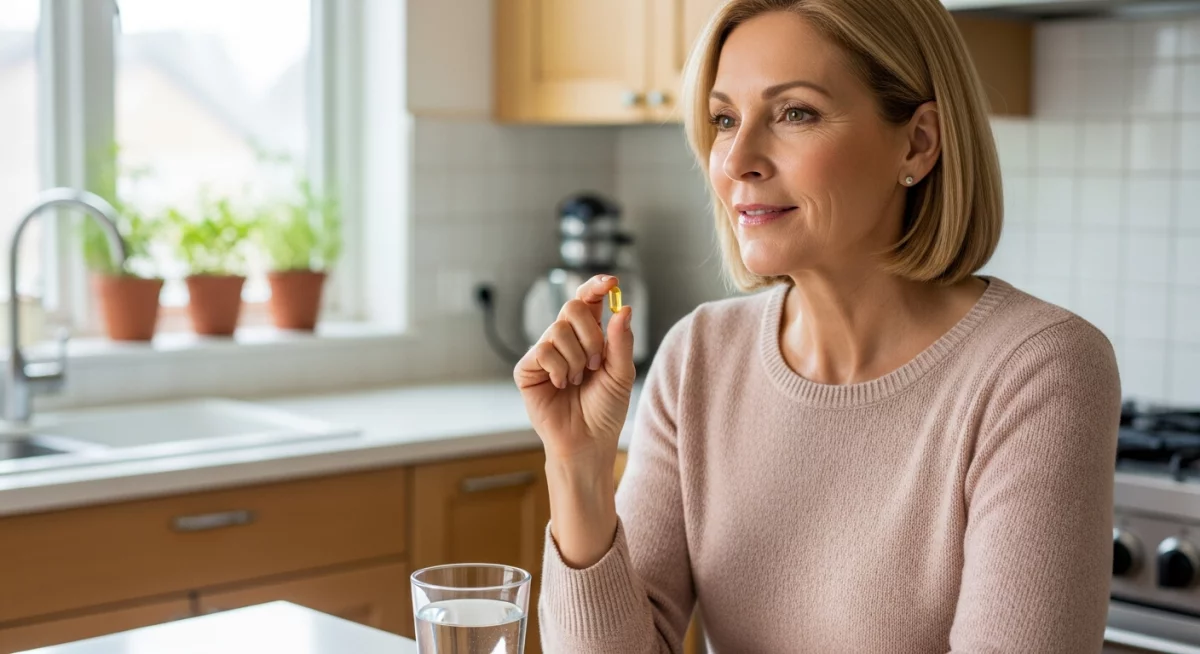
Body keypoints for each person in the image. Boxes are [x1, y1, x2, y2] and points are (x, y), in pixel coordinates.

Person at [514, 0, 1121, 651]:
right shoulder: (699, 357)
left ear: (918, 142)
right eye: (724, 119)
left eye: (794, 113)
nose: (737, 160)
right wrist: (577, 469)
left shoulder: (1039, 369)